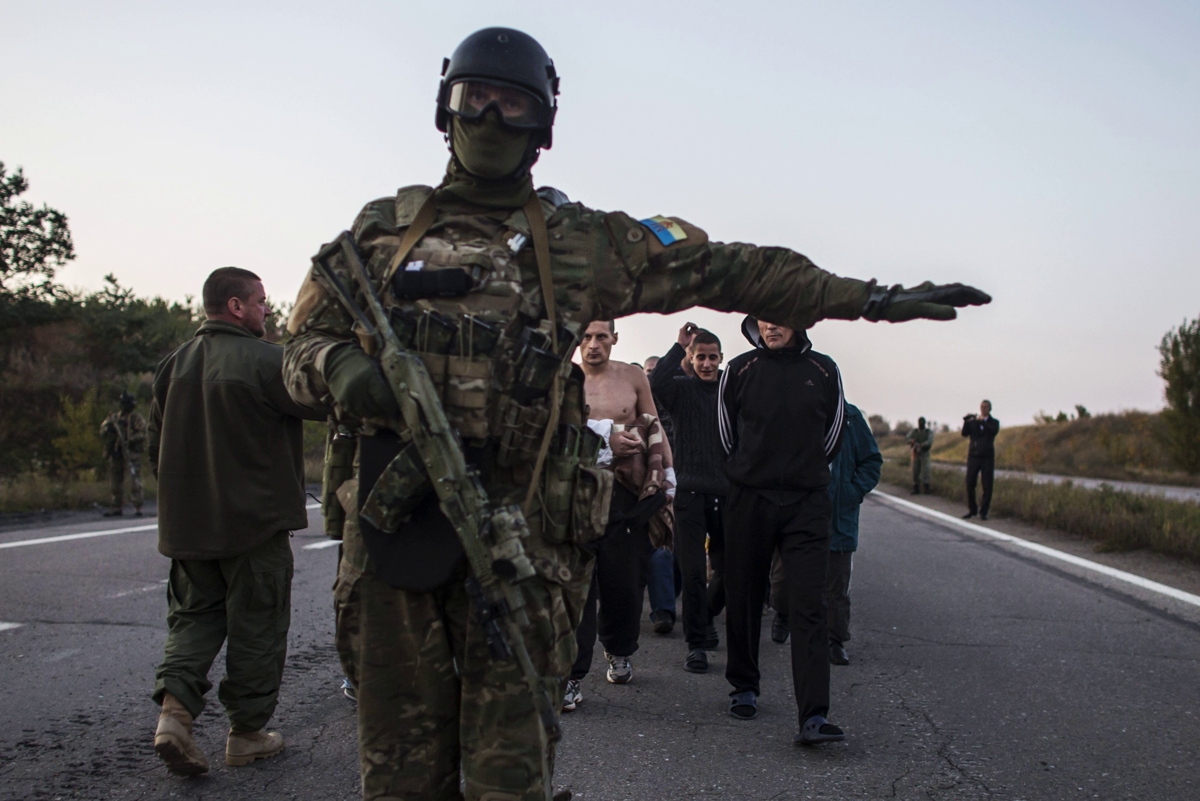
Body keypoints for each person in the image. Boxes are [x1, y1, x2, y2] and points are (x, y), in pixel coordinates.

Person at [281, 27, 988, 800]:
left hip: (518, 551)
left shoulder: (580, 244)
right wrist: (345, 370)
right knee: (397, 782)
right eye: (474, 98)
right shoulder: (381, 232)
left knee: (508, 781)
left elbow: (732, 269)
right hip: (396, 550)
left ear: (542, 126)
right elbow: (300, 348)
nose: (490, 118)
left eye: (512, 104)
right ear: (444, 110)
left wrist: (866, 298)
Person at [147, 267, 322, 777]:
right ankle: (247, 735)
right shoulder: (268, 361)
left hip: (188, 529)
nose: (269, 309)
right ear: (236, 306)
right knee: (259, 628)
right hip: (254, 524)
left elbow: (154, 448)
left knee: (192, 622)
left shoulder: (171, 365)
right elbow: (329, 402)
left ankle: (173, 718)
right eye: (262, 301)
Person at [717, 317, 848, 744]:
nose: (770, 327)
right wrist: (750, 472)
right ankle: (744, 687)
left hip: (807, 501)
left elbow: (833, 435)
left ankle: (813, 716)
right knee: (745, 594)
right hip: (748, 498)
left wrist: (801, 472)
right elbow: (726, 435)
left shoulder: (825, 370)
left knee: (809, 602)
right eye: (762, 319)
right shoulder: (738, 369)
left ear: (800, 321)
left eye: (780, 318)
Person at [567, 320, 673, 709]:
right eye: (586, 337)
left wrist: (668, 480)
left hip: (625, 494)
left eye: (601, 336)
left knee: (624, 583)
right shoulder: (565, 379)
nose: (593, 344)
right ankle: (572, 675)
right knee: (576, 586)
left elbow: (654, 427)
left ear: (614, 338)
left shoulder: (631, 376)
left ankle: (619, 648)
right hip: (575, 492)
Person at [769, 403, 881, 665]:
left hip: (836, 513)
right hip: (793, 509)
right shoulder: (792, 410)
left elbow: (871, 461)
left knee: (836, 583)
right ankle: (783, 612)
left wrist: (851, 493)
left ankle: (835, 639)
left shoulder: (851, 417)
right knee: (782, 578)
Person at [650, 323, 728, 674]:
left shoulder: (732, 389)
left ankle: (707, 615)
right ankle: (696, 643)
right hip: (690, 494)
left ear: (721, 358)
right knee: (694, 572)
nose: (707, 364)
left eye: (712, 357)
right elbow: (655, 385)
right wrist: (677, 345)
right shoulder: (680, 390)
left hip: (727, 494)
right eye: (700, 357)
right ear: (692, 358)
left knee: (728, 572)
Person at [641, 354, 678, 636]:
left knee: (661, 552)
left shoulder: (666, 407)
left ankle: (664, 611)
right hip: (627, 491)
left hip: (663, 489)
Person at [99, 391, 147, 517]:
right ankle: (116, 506)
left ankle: (138, 507)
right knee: (115, 482)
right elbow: (103, 429)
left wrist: (130, 439)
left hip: (131, 452)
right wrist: (108, 429)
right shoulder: (114, 418)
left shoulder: (136, 418)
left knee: (134, 481)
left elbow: (143, 433)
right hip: (116, 452)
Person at [962, 400, 1000, 520]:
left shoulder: (994, 422)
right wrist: (967, 422)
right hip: (974, 455)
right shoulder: (975, 422)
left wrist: (982, 421)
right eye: (982, 407)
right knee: (970, 483)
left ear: (990, 409)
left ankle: (984, 511)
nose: (983, 409)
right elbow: (964, 433)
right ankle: (972, 509)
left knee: (987, 485)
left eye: (986, 407)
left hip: (987, 457)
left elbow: (992, 431)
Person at [906, 416, 934, 494]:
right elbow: (907, 438)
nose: (921, 425)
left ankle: (926, 488)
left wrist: (921, 445)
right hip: (916, 454)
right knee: (915, 471)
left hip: (924, 453)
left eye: (922, 423)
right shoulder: (915, 432)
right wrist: (912, 441)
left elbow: (929, 441)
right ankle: (916, 487)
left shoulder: (928, 432)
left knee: (926, 471)